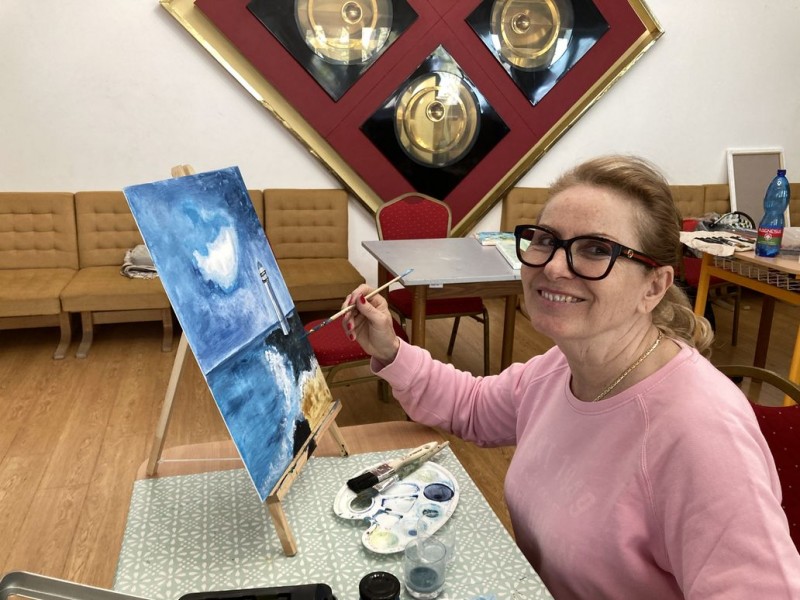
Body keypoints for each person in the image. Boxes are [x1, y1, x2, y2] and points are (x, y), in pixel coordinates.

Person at [341, 155, 800, 599]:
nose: (554, 267)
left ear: (654, 286)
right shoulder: (562, 366)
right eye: (546, 240)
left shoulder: (702, 432)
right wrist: (390, 348)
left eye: (597, 249)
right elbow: (474, 406)